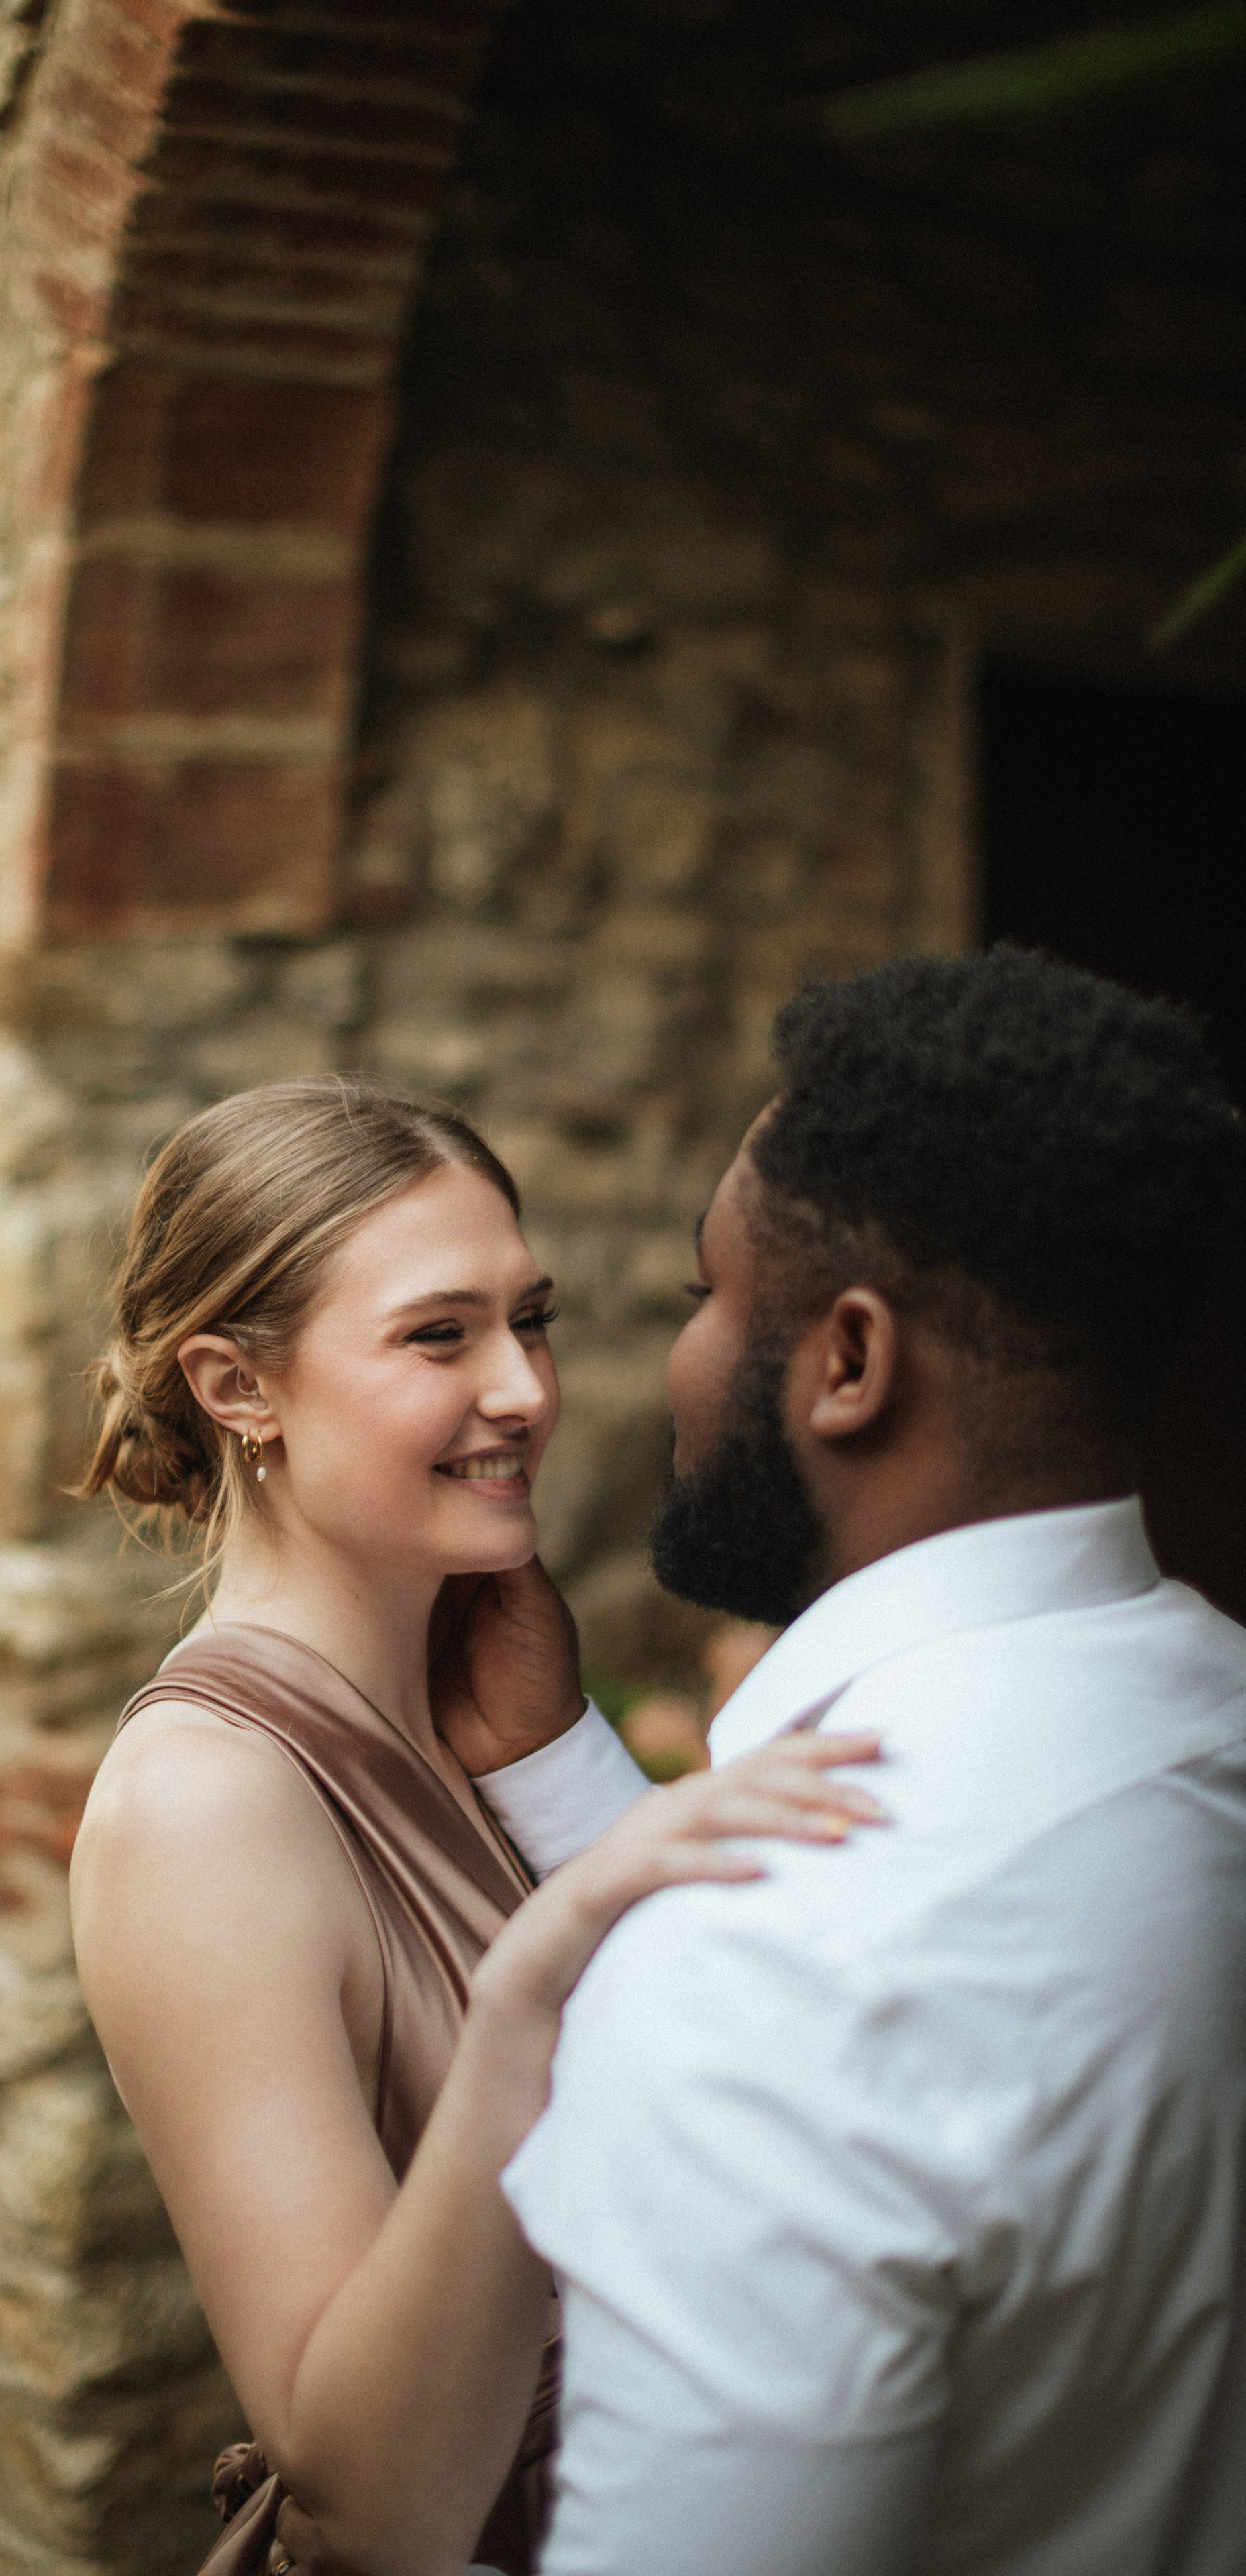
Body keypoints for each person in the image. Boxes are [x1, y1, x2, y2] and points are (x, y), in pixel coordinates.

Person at [481, 949, 1246, 2575]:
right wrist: (557, 1768)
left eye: (700, 1296)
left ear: (846, 1362)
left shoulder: (772, 1967)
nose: (666, 1361)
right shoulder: (1210, 1717)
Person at [66, 1083, 882, 2576]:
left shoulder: (480, 1712)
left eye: (531, 1319)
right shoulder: (205, 1805)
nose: (523, 1390)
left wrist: (558, 1757)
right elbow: (371, 2504)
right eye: (439, 1335)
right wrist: (527, 2002)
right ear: (237, 1387)